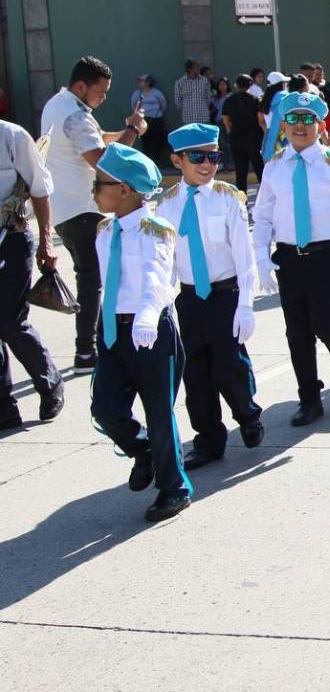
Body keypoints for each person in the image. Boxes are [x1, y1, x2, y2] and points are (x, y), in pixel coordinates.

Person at [251, 92, 330, 427]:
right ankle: (309, 399)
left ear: (321, 126)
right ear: (283, 126)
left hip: (329, 255)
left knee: (325, 321)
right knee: (297, 333)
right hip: (290, 258)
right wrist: (261, 258)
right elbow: (262, 215)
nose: (300, 126)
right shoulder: (275, 166)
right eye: (293, 119)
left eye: (308, 119)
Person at [90, 143, 192, 521]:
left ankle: (174, 488)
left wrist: (149, 314)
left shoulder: (156, 230)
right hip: (115, 329)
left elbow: (157, 277)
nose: (95, 189)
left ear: (125, 189)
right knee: (105, 407)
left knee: (159, 412)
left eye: (100, 183)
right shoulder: (105, 230)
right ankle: (142, 451)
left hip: (150, 329)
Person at [156, 124, 263, 470]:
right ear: (177, 160)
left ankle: (248, 415)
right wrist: (156, 304)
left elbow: (244, 256)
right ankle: (208, 440)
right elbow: (165, 261)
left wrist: (246, 304)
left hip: (225, 294)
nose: (207, 164)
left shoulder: (228, 198)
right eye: (197, 157)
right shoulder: (167, 205)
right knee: (196, 372)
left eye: (213, 156)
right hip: (189, 299)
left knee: (230, 363)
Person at [43, 55, 146, 374]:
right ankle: (86, 351)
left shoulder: (58, 105)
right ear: (81, 86)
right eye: (100, 93)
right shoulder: (75, 115)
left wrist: (127, 128)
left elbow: (100, 139)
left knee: (91, 278)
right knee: (93, 280)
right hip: (84, 210)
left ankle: (91, 346)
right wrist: (133, 132)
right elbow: (103, 161)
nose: (103, 99)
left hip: (63, 209)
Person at [0, 121, 64, 429]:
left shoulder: (12, 137)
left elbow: (40, 189)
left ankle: (50, 383)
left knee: (10, 321)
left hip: (11, 238)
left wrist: (47, 242)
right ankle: (4, 407)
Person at [221, 74, 264, 196]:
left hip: (237, 139)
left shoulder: (228, 100)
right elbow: (260, 120)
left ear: (236, 85)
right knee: (260, 170)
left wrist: (232, 132)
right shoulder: (255, 100)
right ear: (250, 86)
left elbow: (226, 121)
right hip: (254, 138)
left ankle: (242, 202)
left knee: (241, 172)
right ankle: (265, 199)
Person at [131, 74, 169, 167]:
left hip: (156, 119)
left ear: (148, 82)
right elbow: (133, 105)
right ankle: (146, 162)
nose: (140, 82)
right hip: (143, 121)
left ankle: (156, 161)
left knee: (156, 140)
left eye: (142, 80)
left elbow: (163, 105)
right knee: (145, 141)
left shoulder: (156, 93)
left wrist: (155, 114)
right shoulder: (137, 93)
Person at [259, 71, 290, 162]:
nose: (286, 84)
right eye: (284, 82)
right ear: (280, 84)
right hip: (279, 139)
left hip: (268, 138)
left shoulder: (266, 99)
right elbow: (276, 127)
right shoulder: (282, 100)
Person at [174, 60, 212, 126]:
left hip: (203, 119)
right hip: (188, 120)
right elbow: (178, 101)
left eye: (198, 67)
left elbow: (208, 98)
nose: (198, 69)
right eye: (195, 67)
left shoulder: (204, 81)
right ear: (189, 69)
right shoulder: (180, 83)